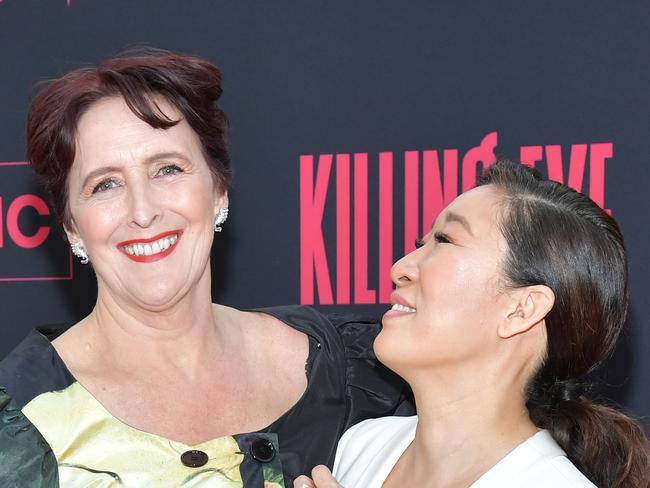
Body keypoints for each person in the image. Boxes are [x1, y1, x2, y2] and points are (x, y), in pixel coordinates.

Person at [0, 49, 413, 488]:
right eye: (106, 184)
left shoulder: (354, 371)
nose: (142, 211)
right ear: (71, 226)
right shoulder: (19, 428)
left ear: (218, 189)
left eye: (167, 170)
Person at [294, 160, 649, 488]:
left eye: (445, 240)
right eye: (421, 243)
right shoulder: (364, 446)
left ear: (521, 309)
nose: (399, 268)